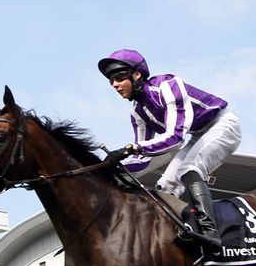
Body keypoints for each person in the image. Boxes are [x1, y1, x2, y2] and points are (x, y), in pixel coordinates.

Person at [97, 49, 242, 250]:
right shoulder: (138, 113)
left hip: (223, 124)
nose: (114, 84)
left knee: (189, 170)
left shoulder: (167, 86)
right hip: (198, 134)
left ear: (137, 74)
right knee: (164, 186)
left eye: (119, 77)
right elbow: (142, 159)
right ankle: (178, 232)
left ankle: (210, 232)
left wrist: (130, 149)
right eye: (111, 80)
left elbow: (175, 139)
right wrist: (111, 169)